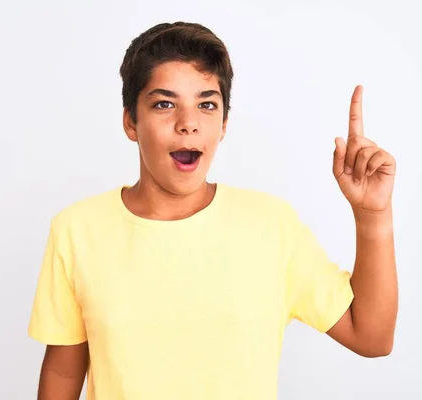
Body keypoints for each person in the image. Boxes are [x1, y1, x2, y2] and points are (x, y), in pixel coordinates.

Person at [27, 21, 398, 400]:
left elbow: (371, 336)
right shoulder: (77, 230)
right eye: (164, 103)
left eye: (206, 104)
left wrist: (373, 216)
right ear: (130, 122)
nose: (188, 123)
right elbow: (62, 372)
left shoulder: (271, 227)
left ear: (223, 124)